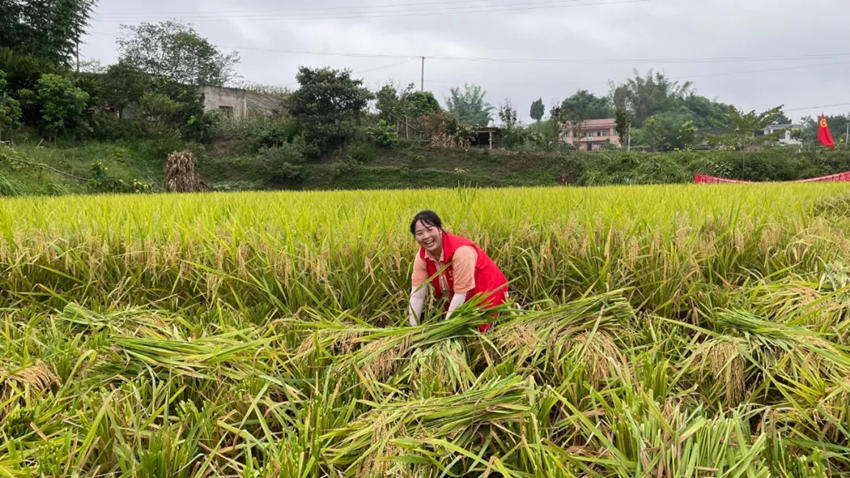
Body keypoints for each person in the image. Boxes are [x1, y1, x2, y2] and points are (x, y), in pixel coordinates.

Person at [407, 210, 508, 332]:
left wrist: (445, 329)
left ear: (440, 229)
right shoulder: (422, 256)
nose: (426, 236)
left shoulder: (461, 251)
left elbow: (461, 293)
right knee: (457, 330)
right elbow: (417, 295)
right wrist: (412, 329)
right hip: (460, 300)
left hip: (487, 296)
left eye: (430, 230)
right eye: (420, 233)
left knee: (477, 334)